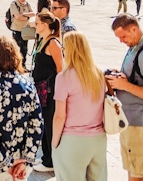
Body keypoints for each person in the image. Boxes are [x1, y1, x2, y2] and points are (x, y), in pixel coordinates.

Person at [107, 14, 143, 181]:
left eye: (123, 36)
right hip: (130, 122)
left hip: (141, 124)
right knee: (133, 173)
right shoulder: (134, 48)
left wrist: (124, 86)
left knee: (141, 176)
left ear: (134, 29)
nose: (121, 41)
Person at [0, 36, 43, 180]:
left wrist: (5, 162)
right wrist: (26, 159)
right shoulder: (28, 86)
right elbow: (37, 124)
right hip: (21, 164)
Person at [52, 31, 107, 181]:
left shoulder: (63, 77)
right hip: (98, 139)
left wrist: (54, 143)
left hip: (73, 140)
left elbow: (59, 116)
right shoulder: (98, 74)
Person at [31, 10, 63, 173]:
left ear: (45, 25)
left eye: (37, 23)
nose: (34, 26)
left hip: (50, 92)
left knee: (49, 125)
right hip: (41, 90)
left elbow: (61, 68)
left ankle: (51, 160)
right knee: (44, 124)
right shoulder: (43, 40)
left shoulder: (53, 43)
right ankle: (46, 156)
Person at [9, 0, 35, 65]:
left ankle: (23, 65)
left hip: (25, 30)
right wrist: (27, 17)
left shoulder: (27, 4)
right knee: (16, 49)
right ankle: (16, 65)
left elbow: (33, 13)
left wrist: (23, 14)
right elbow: (17, 17)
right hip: (17, 29)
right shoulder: (13, 4)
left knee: (24, 49)